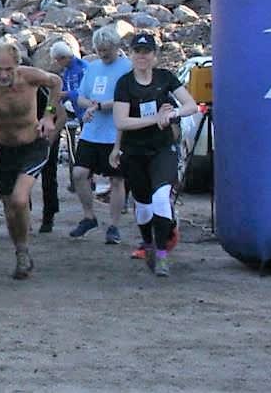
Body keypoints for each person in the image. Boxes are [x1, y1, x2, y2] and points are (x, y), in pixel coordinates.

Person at [0, 41, 62, 280]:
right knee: (10, 207)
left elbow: (56, 82)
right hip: (2, 149)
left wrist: (48, 115)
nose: (3, 75)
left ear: (17, 66)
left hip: (32, 145)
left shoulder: (29, 77)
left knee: (20, 199)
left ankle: (23, 249)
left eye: (8, 69)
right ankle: (21, 251)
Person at [111, 32, 198, 277]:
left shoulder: (165, 78)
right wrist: (154, 119)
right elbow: (121, 121)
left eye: (146, 52)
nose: (142, 56)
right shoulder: (125, 84)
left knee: (160, 197)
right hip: (134, 151)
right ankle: (148, 244)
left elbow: (191, 105)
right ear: (131, 55)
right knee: (143, 205)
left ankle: (162, 254)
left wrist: (172, 115)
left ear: (154, 55)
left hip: (162, 148)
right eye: (137, 52)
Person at [70, 25, 132, 244]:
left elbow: (128, 98)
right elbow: (81, 97)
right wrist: (90, 106)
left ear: (116, 47)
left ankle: (114, 226)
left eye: (107, 50)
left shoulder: (127, 67)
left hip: (115, 133)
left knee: (116, 179)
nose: (103, 54)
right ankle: (89, 216)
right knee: (79, 173)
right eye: (100, 50)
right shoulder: (93, 67)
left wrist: (102, 105)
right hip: (91, 132)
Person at [40, 41, 89, 233]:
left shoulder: (82, 69)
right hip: (77, 114)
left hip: (87, 115)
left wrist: (51, 133)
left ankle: (50, 213)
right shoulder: (65, 72)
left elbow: (55, 108)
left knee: (49, 171)